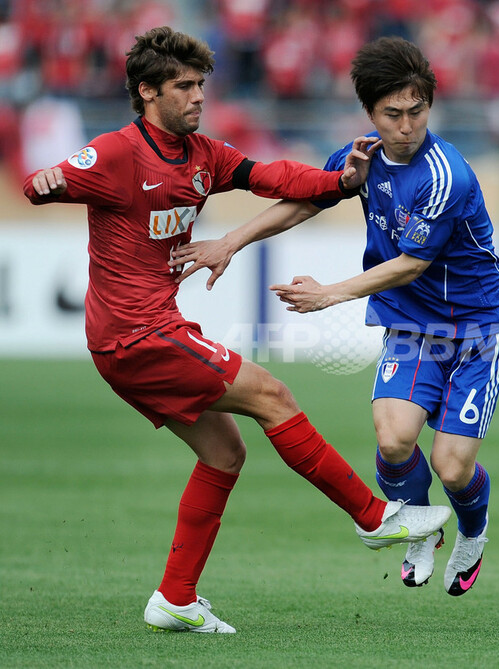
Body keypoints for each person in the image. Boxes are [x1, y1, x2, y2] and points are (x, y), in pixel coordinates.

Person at [23, 26, 450, 634]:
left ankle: (175, 598)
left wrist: (342, 182)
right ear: (147, 92)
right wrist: (45, 182)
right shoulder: (117, 152)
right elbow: (43, 183)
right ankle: (374, 517)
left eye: (201, 84)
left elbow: (274, 177)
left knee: (225, 453)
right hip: (135, 334)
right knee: (273, 395)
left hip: (144, 334)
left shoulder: (203, 155)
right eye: (183, 86)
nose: (198, 95)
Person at [171, 36, 499, 597]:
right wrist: (231, 240)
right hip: (411, 325)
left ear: (430, 105)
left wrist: (330, 294)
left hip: (477, 328)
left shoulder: (445, 175)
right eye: (393, 114)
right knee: (394, 441)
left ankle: (472, 534)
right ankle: (419, 528)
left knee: (452, 468)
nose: (407, 126)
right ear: (370, 113)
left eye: (417, 111)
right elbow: (308, 199)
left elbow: (411, 263)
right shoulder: (362, 157)